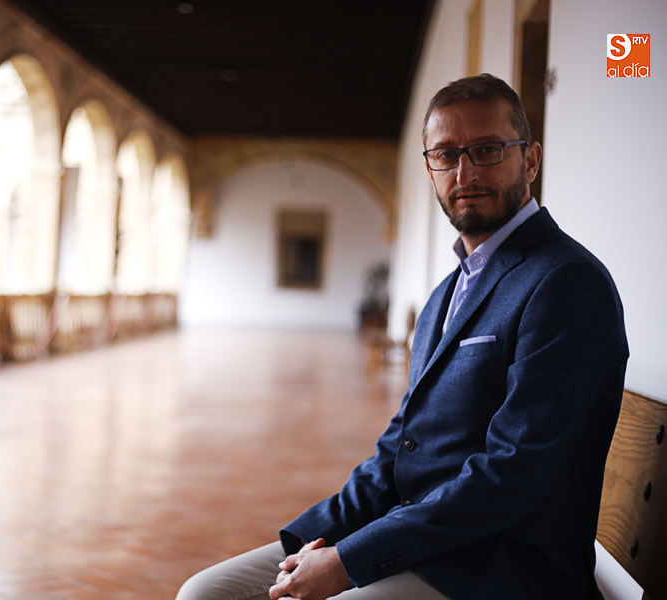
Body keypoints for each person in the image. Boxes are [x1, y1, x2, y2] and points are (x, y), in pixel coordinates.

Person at [175, 73, 628, 600]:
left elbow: (514, 472)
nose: (465, 172)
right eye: (446, 154)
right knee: (206, 592)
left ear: (529, 160)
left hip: (502, 568)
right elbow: (400, 447)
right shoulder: (445, 294)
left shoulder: (565, 282)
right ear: (430, 167)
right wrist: (311, 540)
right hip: (422, 538)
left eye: (486, 150)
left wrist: (349, 561)